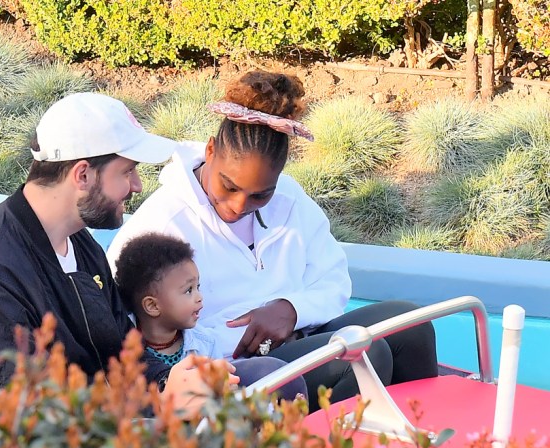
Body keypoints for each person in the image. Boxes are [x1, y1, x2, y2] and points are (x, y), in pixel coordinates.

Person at [0, 92, 290, 416]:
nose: (137, 185)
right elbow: (32, 410)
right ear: (83, 175)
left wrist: (170, 381)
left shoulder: (79, 242)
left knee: (272, 380)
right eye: (128, 171)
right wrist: (160, 404)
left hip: (112, 424)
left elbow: (123, 350)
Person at [106, 70, 438, 410]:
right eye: (229, 186)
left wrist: (291, 309)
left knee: (410, 325)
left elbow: (334, 279)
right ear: (210, 149)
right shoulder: (162, 223)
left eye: (259, 196)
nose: (238, 206)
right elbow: (130, 329)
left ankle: (430, 444)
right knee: (362, 354)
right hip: (235, 368)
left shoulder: (290, 200)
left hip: (306, 336)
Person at [115, 231, 306, 400]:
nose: (199, 297)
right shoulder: (121, 344)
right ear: (152, 306)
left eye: (198, 287)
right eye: (188, 290)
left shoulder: (205, 344)